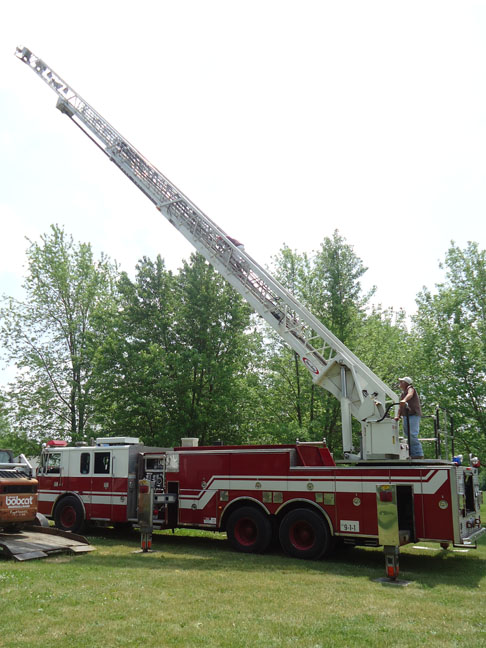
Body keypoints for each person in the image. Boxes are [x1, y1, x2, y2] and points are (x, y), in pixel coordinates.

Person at [395, 376, 423, 459]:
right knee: (408, 434)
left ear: (406, 383)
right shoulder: (403, 393)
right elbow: (401, 406)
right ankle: (412, 453)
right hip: (406, 416)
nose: (400, 383)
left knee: (412, 434)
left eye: (401, 382)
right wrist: (398, 416)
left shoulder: (410, 388)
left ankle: (418, 454)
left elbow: (410, 395)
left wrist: (405, 400)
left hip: (413, 415)